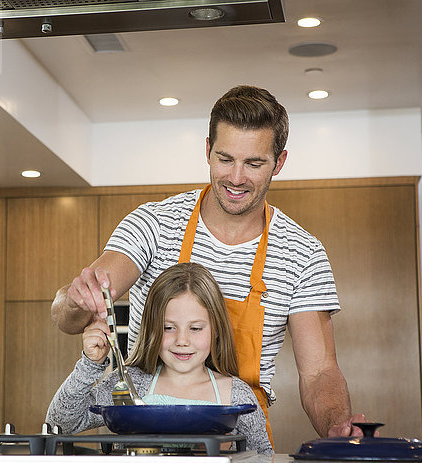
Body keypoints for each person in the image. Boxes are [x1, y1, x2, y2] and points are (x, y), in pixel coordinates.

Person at [51, 85, 366, 442]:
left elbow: (319, 372)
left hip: (234, 442)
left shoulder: (303, 253)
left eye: (254, 163)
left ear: (279, 162)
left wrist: (336, 427)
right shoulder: (154, 224)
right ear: (207, 150)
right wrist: (79, 301)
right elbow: (71, 314)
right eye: (225, 158)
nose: (235, 177)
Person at [47, 262, 273, 455]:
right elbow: (61, 423)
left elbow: (264, 457)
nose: (182, 340)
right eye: (168, 327)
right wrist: (90, 364)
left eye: (195, 328)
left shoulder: (237, 393)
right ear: (152, 329)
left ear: (216, 330)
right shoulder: (130, 384)